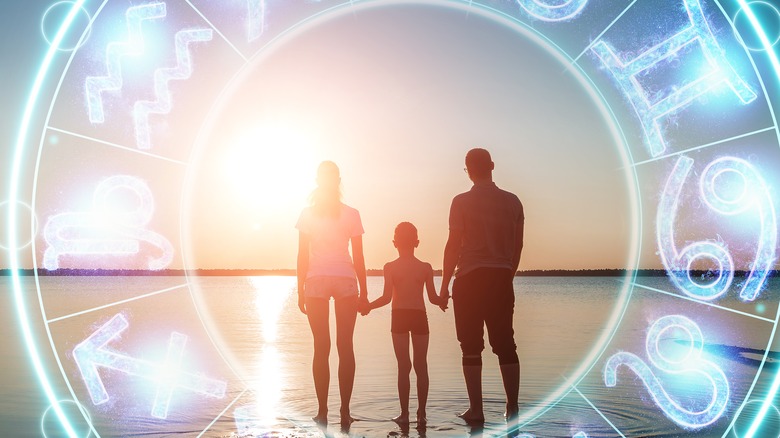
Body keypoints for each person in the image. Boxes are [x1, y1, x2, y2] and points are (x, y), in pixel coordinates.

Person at [440, 148, 524, 423]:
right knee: (506, 345)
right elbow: (517, 246)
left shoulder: (460, 202)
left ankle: (476, 410)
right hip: (500, 278)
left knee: (471, 346)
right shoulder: (513, 202)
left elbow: (453, 246)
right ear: (491, 166)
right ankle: (512, 408)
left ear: (469, 169)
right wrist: (506, 276)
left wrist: (443, 286)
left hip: (469, 279)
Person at [296, 161, 369, 427]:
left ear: (318, 181)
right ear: (338, 181)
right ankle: (345, 412)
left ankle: (323, 411)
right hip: (345, 281)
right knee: (345, 346)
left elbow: (302, 255)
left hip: (315, 281)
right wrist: (364, 291)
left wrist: (300, 289)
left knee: (321, 347)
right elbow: (359, 257)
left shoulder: (307, 214)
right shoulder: (352, 213)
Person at [362, 222, 447, 427]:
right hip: (419, 316)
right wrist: (443, 300)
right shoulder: (425, 267)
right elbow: (434, 298)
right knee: (421, 365)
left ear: (394, 243)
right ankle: (422, 414)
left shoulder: (390, 267)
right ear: (417, 242)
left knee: (403, 366)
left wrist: (368, 307)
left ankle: (404, 414)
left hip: (399, 316)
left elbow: (386, 297)